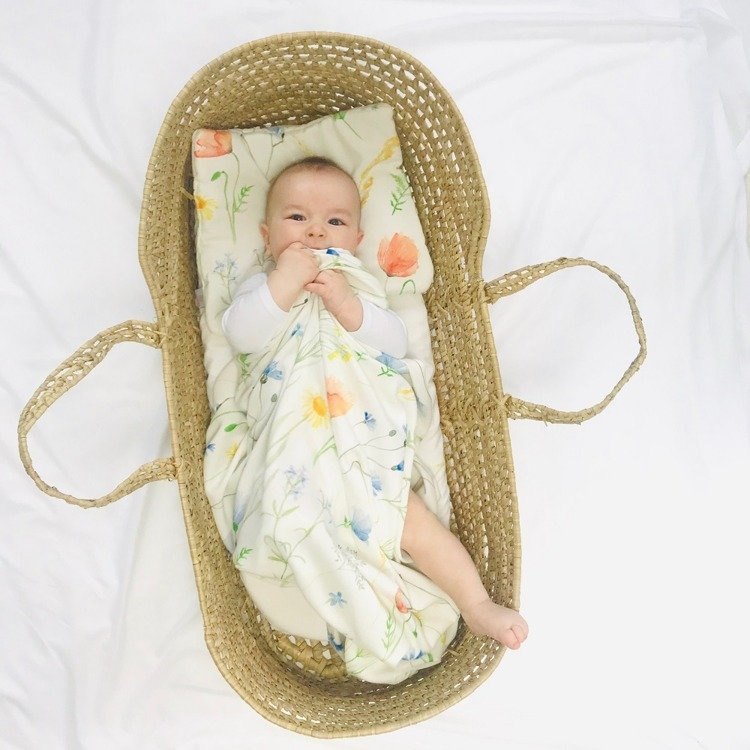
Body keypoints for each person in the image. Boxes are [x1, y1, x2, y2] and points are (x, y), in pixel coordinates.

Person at [222, 156, 529, 651]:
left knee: (415, 524)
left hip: (366, 447)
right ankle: (338, 604)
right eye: (297, 217)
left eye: (335, 221)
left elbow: (392, 344)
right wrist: (284, 282)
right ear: (266, 235)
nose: (316, 232)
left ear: (357, 239)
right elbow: (242, 334)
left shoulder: (361, 286)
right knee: (292, 511)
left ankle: (476, 604)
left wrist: (347, 305)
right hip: (298, 447)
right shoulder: (261, 287)